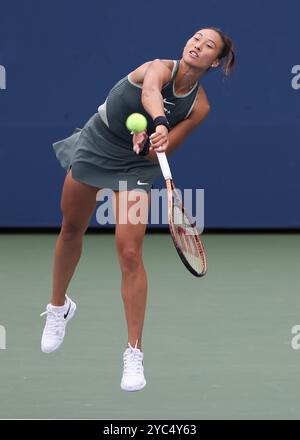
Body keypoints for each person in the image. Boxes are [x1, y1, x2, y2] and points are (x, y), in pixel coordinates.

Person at [40, 27, 236, 392]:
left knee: (129, 252)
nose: (198, 45)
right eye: (196, 38)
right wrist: (159, 121)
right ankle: (58, 307)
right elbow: (150, 93)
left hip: (134, 168)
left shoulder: (200, 106)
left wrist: (153, 140)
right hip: (97, 143)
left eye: (209, 46)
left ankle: (133, 352)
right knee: (71, 227)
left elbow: (160, 149)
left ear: (216, 61)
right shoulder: (158, 68)